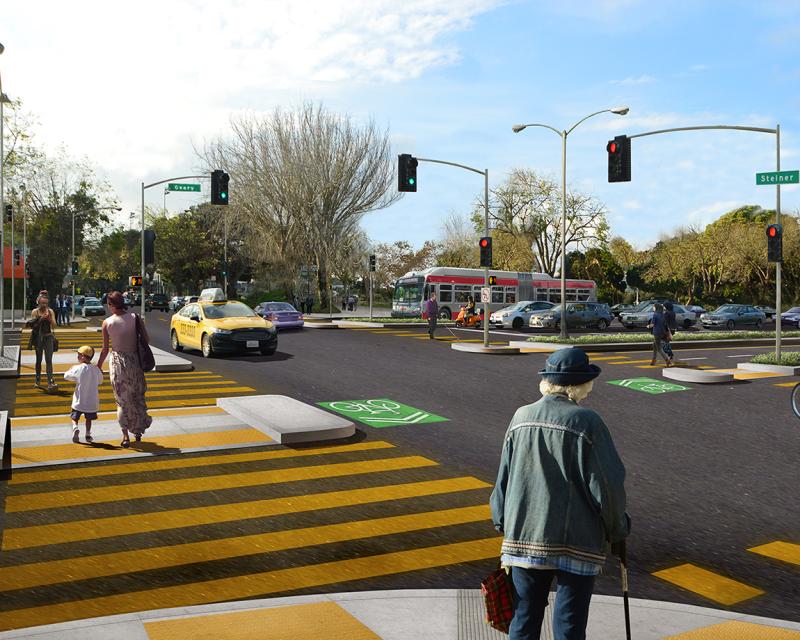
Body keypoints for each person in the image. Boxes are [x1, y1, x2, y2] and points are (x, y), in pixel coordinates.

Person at [490, 348, 630, 640]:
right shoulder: (587, 422)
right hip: (577, 541)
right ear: (581, 384)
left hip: (524, 536)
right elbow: (607, 485)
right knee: (569, 625)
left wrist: (503, 520)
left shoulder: (521, 416)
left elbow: (504, 476)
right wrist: (617, 529)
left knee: (524, 620)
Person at [96, 291, 152, 448]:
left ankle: (125, 436)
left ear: (111, 305)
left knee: (121, 401)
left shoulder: (107, 323)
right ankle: (138, 432)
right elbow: (147, 340)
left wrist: (98, 366)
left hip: (117, 364)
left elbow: (105, 350)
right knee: (136, 397)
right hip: (135, 362)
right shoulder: (135, 318)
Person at [64, 345, 103, 444]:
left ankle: (75, 428)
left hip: (79, 401)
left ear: (83, 356)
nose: (77, 357)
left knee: (74, 417)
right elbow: (100, 381)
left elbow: (66, 376)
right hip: (91, 402)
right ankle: (88, 434)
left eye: (78, 355)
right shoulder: (96, 369)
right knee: (88, 420)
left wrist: (71, 369)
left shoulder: (78, 368)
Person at [28, 293, 58, 391]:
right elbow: (33, 325)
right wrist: (41, 319)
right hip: (38, 338)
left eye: (45, 303)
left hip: (48, 337)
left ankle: (50, 381)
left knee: (49, 360)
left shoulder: (50, 311)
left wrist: (49, 319)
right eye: (42, 303)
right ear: (38, 302)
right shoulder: (35, 312)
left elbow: (54, 326)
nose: (44, 305)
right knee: (39, 360)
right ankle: (37, 380)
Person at [647, 303, 672, 367]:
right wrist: (668, 333)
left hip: (657, 333)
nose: (653, 308)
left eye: (654, 307)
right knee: (654, 345)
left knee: (659, 348)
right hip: (663, 333)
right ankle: (654, 360)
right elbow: (666, 325)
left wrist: (648, 326)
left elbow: (652, 325)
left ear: (656, 308)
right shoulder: (662, 315)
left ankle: (667, 359)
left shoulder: (655, 315)